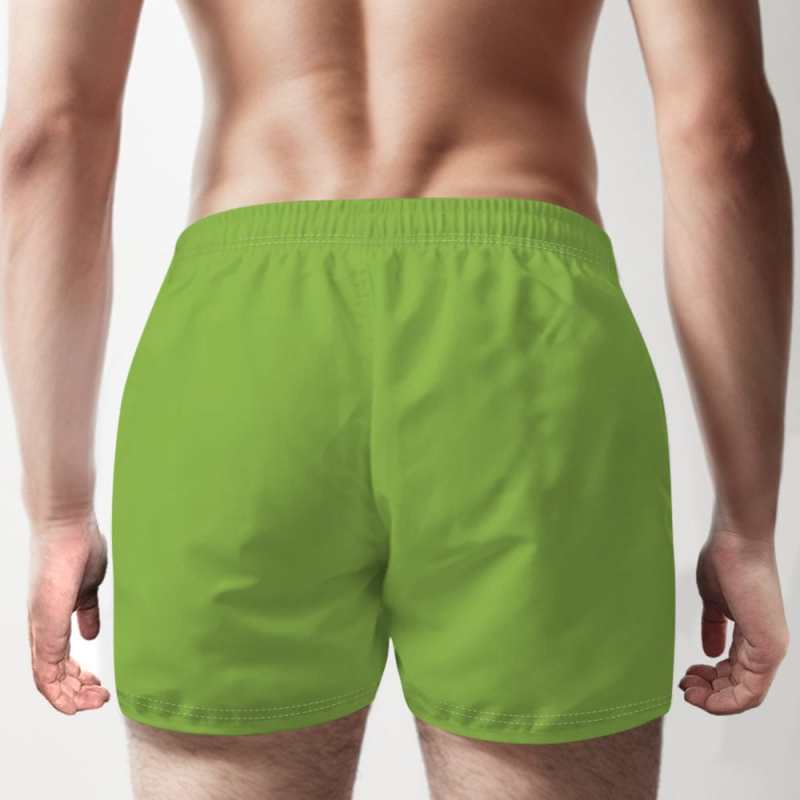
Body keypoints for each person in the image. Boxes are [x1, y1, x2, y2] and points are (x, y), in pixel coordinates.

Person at [0, 0, 792, 797]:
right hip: (527, 355)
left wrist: (59, 510)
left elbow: (50, 130)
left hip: (241, 355)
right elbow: (721, 128)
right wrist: (748, 526)